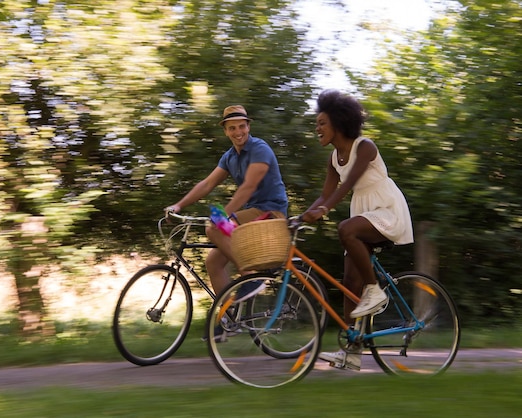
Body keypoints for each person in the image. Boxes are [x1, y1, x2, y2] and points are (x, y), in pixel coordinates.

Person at [299, 90, 413, 370]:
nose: (317, 129)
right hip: (364, 215)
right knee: (349, 283)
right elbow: (325, 195)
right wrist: (300, 217)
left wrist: (324, 211)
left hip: (387, 210)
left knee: (345, 229)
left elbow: (347, 184)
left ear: (338, 122)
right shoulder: (333, 159)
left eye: (322, 123)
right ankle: (352, 351)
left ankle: (375, 289)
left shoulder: (365, 147)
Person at [165, 105, 288, 303]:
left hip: (271, 212)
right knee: (213, 262)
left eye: (242, 126)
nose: (238, 132)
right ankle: (227, 318)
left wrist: (223, 216)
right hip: (252, 214)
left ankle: (250, 276)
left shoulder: (259, 149)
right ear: (225, 131)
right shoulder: (230, 157)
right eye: (232, 128)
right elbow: (207, 184)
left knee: (214, 226)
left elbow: (248, 187)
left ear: (248, 126)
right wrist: (178, 206)